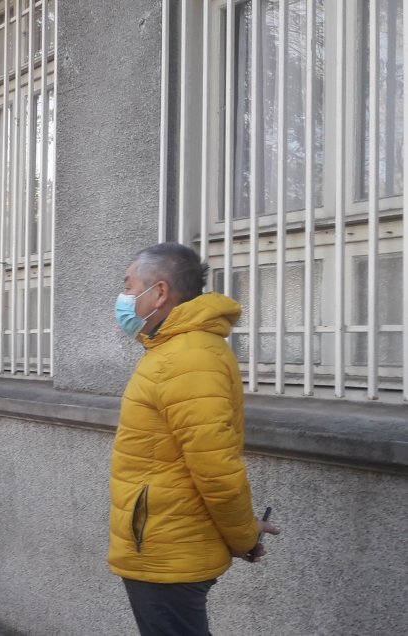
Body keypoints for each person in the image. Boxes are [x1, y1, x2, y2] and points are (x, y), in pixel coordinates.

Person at [109, 242, 281, 636]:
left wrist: (245, 537)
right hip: (165, 542)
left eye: (129, 286)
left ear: (161, 292)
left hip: (168, 551)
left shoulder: (186, 358)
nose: (123, 298)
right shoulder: (175, 349)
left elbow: (216, 468)